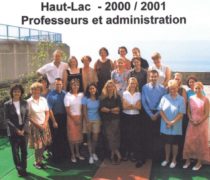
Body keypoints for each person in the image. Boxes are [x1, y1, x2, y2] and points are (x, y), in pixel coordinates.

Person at [158, 80, 185, 168]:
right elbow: (161, 110)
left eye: (174, 88)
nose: (172, 90)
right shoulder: (164, 97)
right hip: (165, 125)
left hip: (176, 125)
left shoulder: (181, 99)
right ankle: (166, 159)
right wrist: (167, 122)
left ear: (177, 88)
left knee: (175, 143)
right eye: (170, 89)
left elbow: (181, 114)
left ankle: (174, 160)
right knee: (167, 143)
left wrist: (172, 122)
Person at [183, 82, 210, 171]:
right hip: (192, 123)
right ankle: (187, 161)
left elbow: (207, 113)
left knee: (200, 143)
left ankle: (199, 162)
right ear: (193, 89)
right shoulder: (191, 98)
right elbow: (188, 111)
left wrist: (199, 121)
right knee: (189, 141)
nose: (197, 90)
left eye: (199, 88)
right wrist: (191, 119)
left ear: (202, 89)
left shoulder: (206, 99)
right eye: (196, 88)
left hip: (202, 123)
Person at [4, 84, 29, 177]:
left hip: (24, 131)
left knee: (24, 151)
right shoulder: (7, 104)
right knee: (15, 152)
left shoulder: (25, 103)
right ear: (12, 92)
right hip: (13, 131)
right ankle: (19, 170)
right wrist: (16, 129)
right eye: (15, 91)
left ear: (21, 92)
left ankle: (24, 168)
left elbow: (27, 117)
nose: (16, 93)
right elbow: (7, 119)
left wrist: (23, 129)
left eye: (18, 91)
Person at [141, 70, 166, 161]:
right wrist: (151, 114)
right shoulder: (144, 87)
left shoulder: (163, 88)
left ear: (158, 77)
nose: (153, 78)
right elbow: (143, 102)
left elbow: (163, 102)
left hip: (159, 113)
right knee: (146, 134)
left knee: (157, 136)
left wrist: (157, 114)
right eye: (151, 76)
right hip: (148, 114)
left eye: (155, 76)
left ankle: (156, 156)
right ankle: (146, 155)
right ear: (149, 77)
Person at [27, 82, 51, 169]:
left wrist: (45, 123)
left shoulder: (43, 100)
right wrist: (38, 125)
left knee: (44, 144)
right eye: (33, 89)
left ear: (40, 90)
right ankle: (36, 162)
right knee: (38, 146)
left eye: (38, 89)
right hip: (35, 127)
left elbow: (47, 112)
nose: (36, 91)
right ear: (31, 91)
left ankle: (40, 161)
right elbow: (28, 117)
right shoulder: (28, 102)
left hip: (44, 125)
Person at [121, 77, 143, 167]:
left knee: (135, 136)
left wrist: (130, 105)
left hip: (136, 117)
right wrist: (133, 105)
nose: (132, 84)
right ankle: (126, 153)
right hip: (126, 117)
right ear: (128, 83)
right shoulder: (124, 93)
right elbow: (124, 107)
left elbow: (139, 107)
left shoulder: (139, 94)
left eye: (134, 83)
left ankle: (133, 154)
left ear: (136, 84)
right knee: (126, 135)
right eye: (131, 83)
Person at [100, 80, 122, 164]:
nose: (110, 88)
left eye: (112, 86)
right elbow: (102, 109)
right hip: (106, 120)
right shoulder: (103, 97)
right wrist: (112, 110)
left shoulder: (117, 97)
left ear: (114, 87)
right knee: (110, 137)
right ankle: (118, 155)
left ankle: (112, 156)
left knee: (115, 137)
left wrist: (108, 110)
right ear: (106, 87)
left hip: (115, 120)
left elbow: (119, 109)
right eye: (108, 86)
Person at [47, 78, 68, 162]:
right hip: (55, 118)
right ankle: (56, 156)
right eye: (56, 84)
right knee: (55, 137)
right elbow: (50, 109)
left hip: (64, 117)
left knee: (63, 136)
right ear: (54, 85)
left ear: (62, 85)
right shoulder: (51, 95)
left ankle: (63, 154)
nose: (58, 86)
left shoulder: (65, 94)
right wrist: (54, 121)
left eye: (60, 84)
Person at [64, 79, 85, 163]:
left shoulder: (81, 95)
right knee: (72, 138)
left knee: (77, 137)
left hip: (79, 118)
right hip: (71, 118)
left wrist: (80, 118)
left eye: (77, 85)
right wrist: (74, 119)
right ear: (71, 86)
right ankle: (72, 154)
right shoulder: (67, 96)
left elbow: (83, 108)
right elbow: (67, 110)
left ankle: (78, 153)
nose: (75, 86)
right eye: (73, 85)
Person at [82, 83, 101, 164]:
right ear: (88, 90)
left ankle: (93, 153)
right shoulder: (85, 98)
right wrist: (87, 121)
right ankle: (90, 155)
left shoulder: (98, 98)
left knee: (95, 139)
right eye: (90, 89)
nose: (92, 90)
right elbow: (84, 110)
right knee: (89, 139)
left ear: (96, 89)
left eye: (93, 88)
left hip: (97, 120)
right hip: (88, 120)